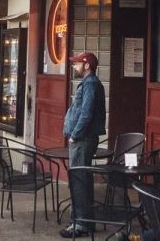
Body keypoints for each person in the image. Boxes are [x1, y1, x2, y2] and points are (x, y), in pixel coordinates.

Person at [60, 52, 106, 238]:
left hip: (83, 139)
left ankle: (80, 225)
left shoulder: (91, 85)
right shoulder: (90, 84)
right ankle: (85, 223)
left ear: (87, 65)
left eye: (77, 63)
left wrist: (75, 135)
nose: (74, 66)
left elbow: (86, 114)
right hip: (84, 139)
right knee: (81, 181)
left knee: (79, 181)